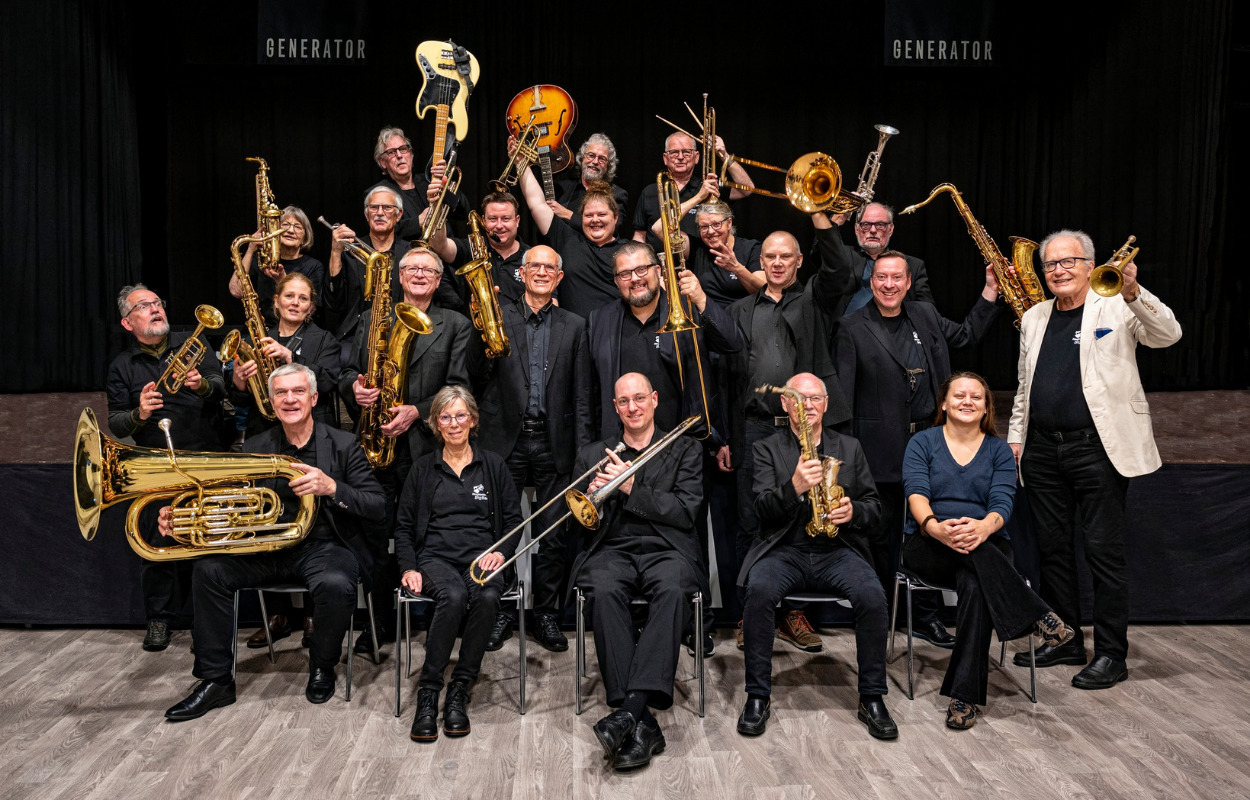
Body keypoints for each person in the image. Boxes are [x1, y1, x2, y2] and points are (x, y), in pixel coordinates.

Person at [162, 364, 386, 720]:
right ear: (270, 402)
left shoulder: (342, 444)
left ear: (313, 398)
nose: (290, 399)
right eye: (281, 393)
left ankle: (322, 666)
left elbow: (377, 505)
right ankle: (215, 680)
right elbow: (230, 504)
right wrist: (184, 521)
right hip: (265, 548)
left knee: (336, 583)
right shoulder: (256, 446)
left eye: (298, 391)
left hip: (323, 547)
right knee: (209, 570)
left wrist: (332, 487)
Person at [1008, 229, 1181, 689]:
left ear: (1090, 265)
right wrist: (1016, 437)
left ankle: (1110, 653)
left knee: (1103, 551)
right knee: (1053, 549)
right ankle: (1065, 640)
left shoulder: (1116, 304)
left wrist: (1133, 290)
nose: (1059, 271)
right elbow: (1025, 386)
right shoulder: (1034, 317)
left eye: (1069, 262)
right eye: (1051, 265)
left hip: (1097, 448)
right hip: (1043, 448)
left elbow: (1168, 335)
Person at [834, 249, 1000, 647]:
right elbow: (843, 397)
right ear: (871, 283)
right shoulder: (851, 327)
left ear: (908, 283)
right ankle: (877, 617)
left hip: (930, 447)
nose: (888, 285)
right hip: (879, 453)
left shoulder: (924, 316)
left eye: (896, 278)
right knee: (880, 536)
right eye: (880, 278)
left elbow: (965, 336)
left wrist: (991, 290)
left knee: (929, 533)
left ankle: (924, 618)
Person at [902, 372, 1073, 729]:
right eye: (959, 395)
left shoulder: (998, 449)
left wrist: (982, 527)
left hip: (987, 542)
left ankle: (963, 697)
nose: (967, 401)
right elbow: (916, 493)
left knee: (976, 583)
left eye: (976, 397)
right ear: (944, 404)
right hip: (928, 543)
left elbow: (1002, 502)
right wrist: (935, 528)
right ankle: (1037, 613)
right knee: (978, 567)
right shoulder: (922, 442)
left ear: (986, 408)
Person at [736, 373, 892, 740]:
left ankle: (872, 697)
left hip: (837, 550)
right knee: (758, 594)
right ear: (785, 404)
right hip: (784, 550)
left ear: (825, 404)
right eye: (798, 399)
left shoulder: (849, 447)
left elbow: (874, 508)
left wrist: (854, 511)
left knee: (873, 596)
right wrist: (793, 488)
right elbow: (758, 510)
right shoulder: (766, 449)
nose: (807, 406)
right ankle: (757, 696)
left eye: (814, 399)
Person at [723, 228, 856, 651]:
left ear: (799, 262)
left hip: (807, 429)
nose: (777, 263)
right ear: (759, 262)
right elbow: (727, 378)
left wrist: (821, 219)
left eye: (786, 256)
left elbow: (839, 268)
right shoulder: (742, 308)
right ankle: (751, 614)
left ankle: (794, 613)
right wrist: (725, 437)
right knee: (751, 523)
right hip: (755, 428)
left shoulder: (816, 299)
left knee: (805, 521)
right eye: (769, 256)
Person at [338, 245, 476, 650]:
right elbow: (348, 371)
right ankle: (380, 625)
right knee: (376, 543)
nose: (418, 274)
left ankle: (442, 621)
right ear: (399, 277)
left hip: (427, 448)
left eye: (427, 270)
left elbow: (460, 386)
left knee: (434, 537)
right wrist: (355, 388)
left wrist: (417, 411)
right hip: (376, 447)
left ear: (437, 280)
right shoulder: (370, 319)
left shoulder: (455, 323)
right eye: (411, 268)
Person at [570, 373, 703, 772]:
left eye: (639, 398)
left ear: (655, 399)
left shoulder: (684, 450)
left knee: (676, 587)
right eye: (624, 401)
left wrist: (630, 490)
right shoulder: (594, 452)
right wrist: (595, 496)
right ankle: (640, 720)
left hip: (668, 549)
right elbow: (582, 524)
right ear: (615, 406)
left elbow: (684, 512)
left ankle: (627, 711)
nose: (632, 407)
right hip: (613, 548)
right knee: (603, 588)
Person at [474, 245, 594, 652]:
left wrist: (581, 452)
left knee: (554, 535)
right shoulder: (498, 318)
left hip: (553, 440)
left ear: (559, 277)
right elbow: (479, 378)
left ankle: (544, 613)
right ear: (521, 274)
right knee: (500, 531)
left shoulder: (576, 325)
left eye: (550, 267)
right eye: (534, 266)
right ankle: (502, 611)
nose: (542, 272)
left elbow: (581, 396)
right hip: (503, 438)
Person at [394, 385, 523, 741]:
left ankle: (460, 688)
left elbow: (514, 521)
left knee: (484, 598)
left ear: (473, 420)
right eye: (445, 417)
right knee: (451, 597)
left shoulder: (493, 465)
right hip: (435, 559)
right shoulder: (422, 469)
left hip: (483, 559)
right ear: (436, 424)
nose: (453, 423)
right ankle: (429, 692)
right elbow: (403, 527)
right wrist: (408, 568)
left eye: (460, 415)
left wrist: (501, 551)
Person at [106, 284, 226, 651]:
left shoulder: (194, 342)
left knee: (206, 538)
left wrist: (202, 383)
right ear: (128, 323)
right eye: (144, 306)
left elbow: (222, 388)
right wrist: (138, 413)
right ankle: (159, 618)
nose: (156, 309)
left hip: (203, 455)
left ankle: (206, 620)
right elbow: (115, 423)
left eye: (158, 302)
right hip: (156, 462)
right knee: (157, 542)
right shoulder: (122, 366)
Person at [229, 271, 341, 649]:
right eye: (288, 296)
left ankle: (312, 616)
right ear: (275, 301)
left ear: (311, 307)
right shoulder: (254, 340)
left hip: (311, 437)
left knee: (312, 521)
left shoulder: (322, 339)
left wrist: (292, 357)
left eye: (303, 298)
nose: (295, 302)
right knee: (268, 518)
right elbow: (241, 401)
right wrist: (242, 382)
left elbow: (327, 382)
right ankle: (276, 615)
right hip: (268, 438)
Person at [323, 185, 412, 368]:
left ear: (399, 214)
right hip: (356, 336)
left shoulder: (411, 253)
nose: (380, 213)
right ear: (366, 214)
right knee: (342, 360)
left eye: (387, 208)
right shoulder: (350, 251)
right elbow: (333, 303)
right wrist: (335, 252)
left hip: (396, 333)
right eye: (374, 207)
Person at [519, 165, 624, 318]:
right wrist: (521, 163)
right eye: (588, 215)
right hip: (575, 337)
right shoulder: (567, 238)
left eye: (601, 214)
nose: (595, 220)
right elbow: (537, 204)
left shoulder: (629, 250)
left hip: (614, 335)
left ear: (615, 218)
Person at [631, 131, 754, 253]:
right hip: (658, 268)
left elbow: (747, 190)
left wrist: (724, 155)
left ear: (696, 157)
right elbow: (640, 236)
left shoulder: (709, 187)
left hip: (699, 268)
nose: (680, 157)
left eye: (686, 152)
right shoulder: (650, 192)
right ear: (665, 158)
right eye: (674, 152)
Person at [815, 202, 933, 316]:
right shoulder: (842, 257)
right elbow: (818, 253)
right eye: (866, 225)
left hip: (895, 333)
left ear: (890, 229)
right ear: (857, 229)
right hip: (846, 332)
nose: (872, 230)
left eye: (880, 225)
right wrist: (835, 222)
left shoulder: (914, 266)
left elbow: (927, 312)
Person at [427, 190, 530, 311]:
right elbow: (439, 246)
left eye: (506, 219)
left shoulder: (532, 257)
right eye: (492, 219)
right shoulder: (472, 247)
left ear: (517, 221)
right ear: (483, 220)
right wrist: (437, 207)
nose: (499, 225)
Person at [229, 205, 325, 326]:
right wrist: (250, 249)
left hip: (296, 331)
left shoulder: (314, 266)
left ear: (305, 238)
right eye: (285, 225)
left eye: (297, 227)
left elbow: (310, 309)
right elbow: (236, 291)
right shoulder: (260, 259)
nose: (290, 230)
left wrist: (282, 281)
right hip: (261, 328)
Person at [372, 126, 469, 240]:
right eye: (392, 152)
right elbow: (380, 231)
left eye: (403, 149)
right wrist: (418, 221)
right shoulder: (377, 193)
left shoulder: (429, 180)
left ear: (411, 154)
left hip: (445, 252)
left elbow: (463, 213)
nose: (399, 155)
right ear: (383, 162)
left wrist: (445, 186)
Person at [550, 133, 631, 239]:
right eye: (591, 155)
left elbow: (613, 227)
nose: (595, 161)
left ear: (609, 165)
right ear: (582, 158)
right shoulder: (562, 188)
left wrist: (568, 215)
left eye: (602, 159)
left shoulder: (617, 194)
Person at [686, 202, 764, 307]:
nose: (710, 231)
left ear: (729, 223)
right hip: (706, 316)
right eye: (704, 226)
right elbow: (658, 229)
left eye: (716, 224)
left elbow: (764, 292)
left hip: (742, 316)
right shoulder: (696, 248)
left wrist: (736, 268)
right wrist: (698, 197)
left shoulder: (751, 248)